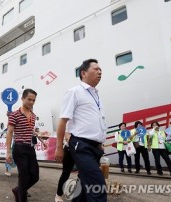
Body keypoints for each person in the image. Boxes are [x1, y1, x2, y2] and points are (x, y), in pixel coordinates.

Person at [55, 59, 107, 202]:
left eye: (100, 69)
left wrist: (100, 142)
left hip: (94, 147)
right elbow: (63, 121)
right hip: (81, 145)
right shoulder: (74, 92)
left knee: (85, 186)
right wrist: (59, 147)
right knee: (97, 187)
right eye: (96, 69)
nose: (100, 71)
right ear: (83, 73)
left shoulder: (96, 95)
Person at [6, 88, 39, 202]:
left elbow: (31, 131)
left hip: (30, 149)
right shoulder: (14, 114)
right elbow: (9, 132)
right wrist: (8, 152)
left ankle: (17, 190)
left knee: (35, 176)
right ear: (23, 98)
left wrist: (41, 136)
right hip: (19, 148)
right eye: (29, 99)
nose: (31, 102)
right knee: (23, 177)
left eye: (33, 100)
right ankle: (21, 197)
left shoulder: (33, 116)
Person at [55, 133, 75, 202]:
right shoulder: (71, 123)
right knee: (66, 173)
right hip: (70, 149)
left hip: (83, 150)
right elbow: (66, 135)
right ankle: (58, 195)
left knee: (84, 174)